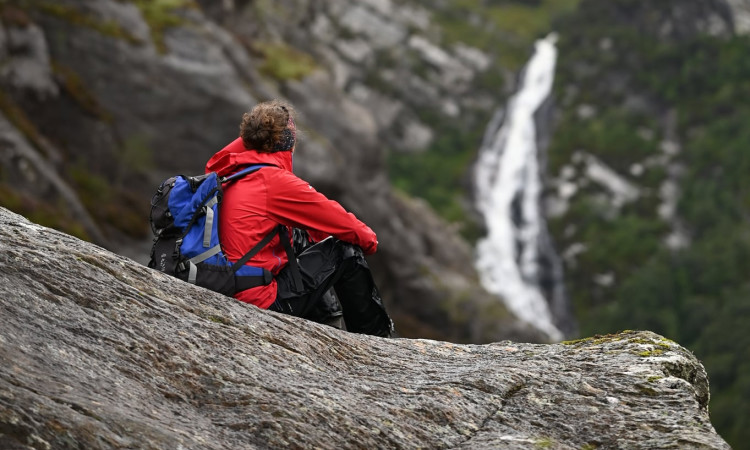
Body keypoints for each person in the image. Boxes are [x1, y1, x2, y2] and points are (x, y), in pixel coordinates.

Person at [205, 99, 394, 337]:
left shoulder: (234, 171)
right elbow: (347, 226)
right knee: (345, 250)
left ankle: (327, 328)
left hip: (231, 286)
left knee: (304, 239)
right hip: (258, 300)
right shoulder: (273, 181)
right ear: (287, 141)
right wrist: (369, 242)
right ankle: (377, 340)